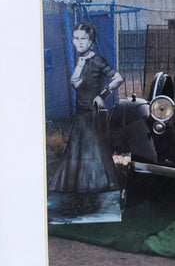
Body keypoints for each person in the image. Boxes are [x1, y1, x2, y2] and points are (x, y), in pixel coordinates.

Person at [48, 22, 124, 213]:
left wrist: (103, 95)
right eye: (76, 38)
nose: (79, 42)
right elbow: (75, 82)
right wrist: (81, 64)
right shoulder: (80, 60)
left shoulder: (97, 60)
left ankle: (91, 193)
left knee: (91, 151)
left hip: (92, 112)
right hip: (81, 112)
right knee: (79, 150)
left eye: (84, 39)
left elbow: (118, 78)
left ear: (91, 41)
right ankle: (82, 192)